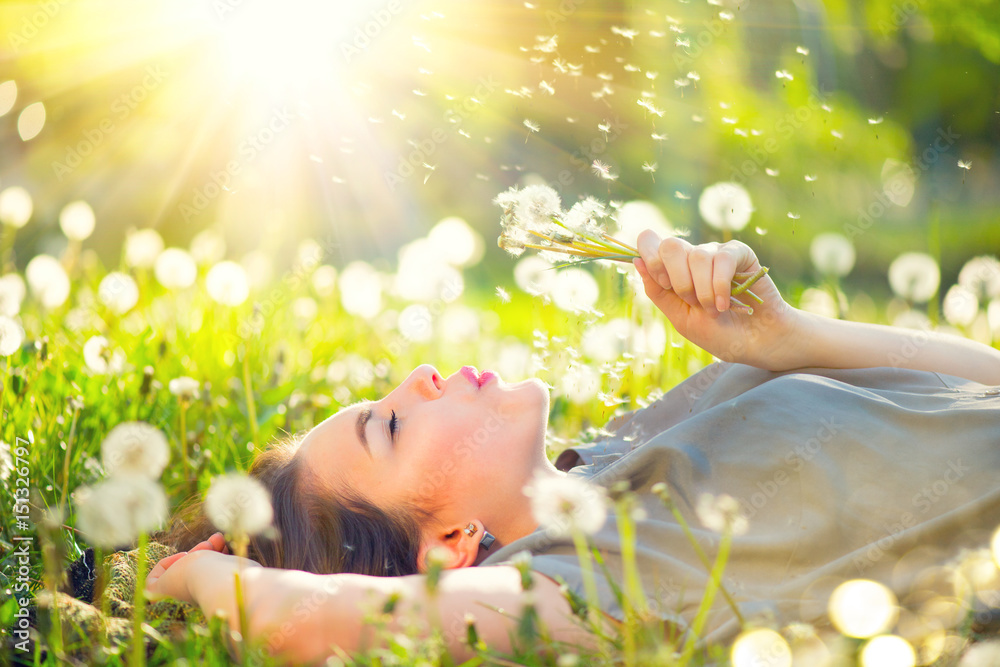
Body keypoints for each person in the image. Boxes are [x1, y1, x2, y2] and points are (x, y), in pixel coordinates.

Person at [148, 230, 1000, 663]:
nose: (417, 376)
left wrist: (785, 339)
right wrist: (202, 577)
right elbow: (330, 622)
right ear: (449, 546)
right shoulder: (578, 576)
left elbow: (982, 384)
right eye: (393, 425)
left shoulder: (615, 453)